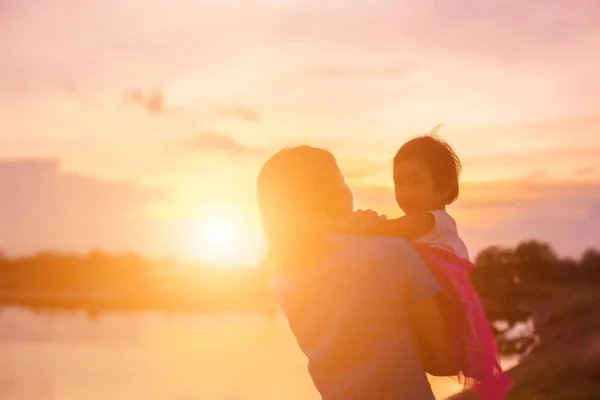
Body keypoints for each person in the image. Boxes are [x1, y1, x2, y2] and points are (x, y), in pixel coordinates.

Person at [319, 133, 513, 399]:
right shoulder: (416, 225)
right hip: (430, 302)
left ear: (444, 189)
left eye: (415, 182)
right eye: (399, 183)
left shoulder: (434, 220)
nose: (405, 192)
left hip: (445, 307)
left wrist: (353, 226)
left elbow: (391, 231)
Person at [256, 145, 454, 400]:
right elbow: (443, 363)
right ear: (331, 192)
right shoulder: (393, 252)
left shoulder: (282, 281)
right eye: (342, 182)